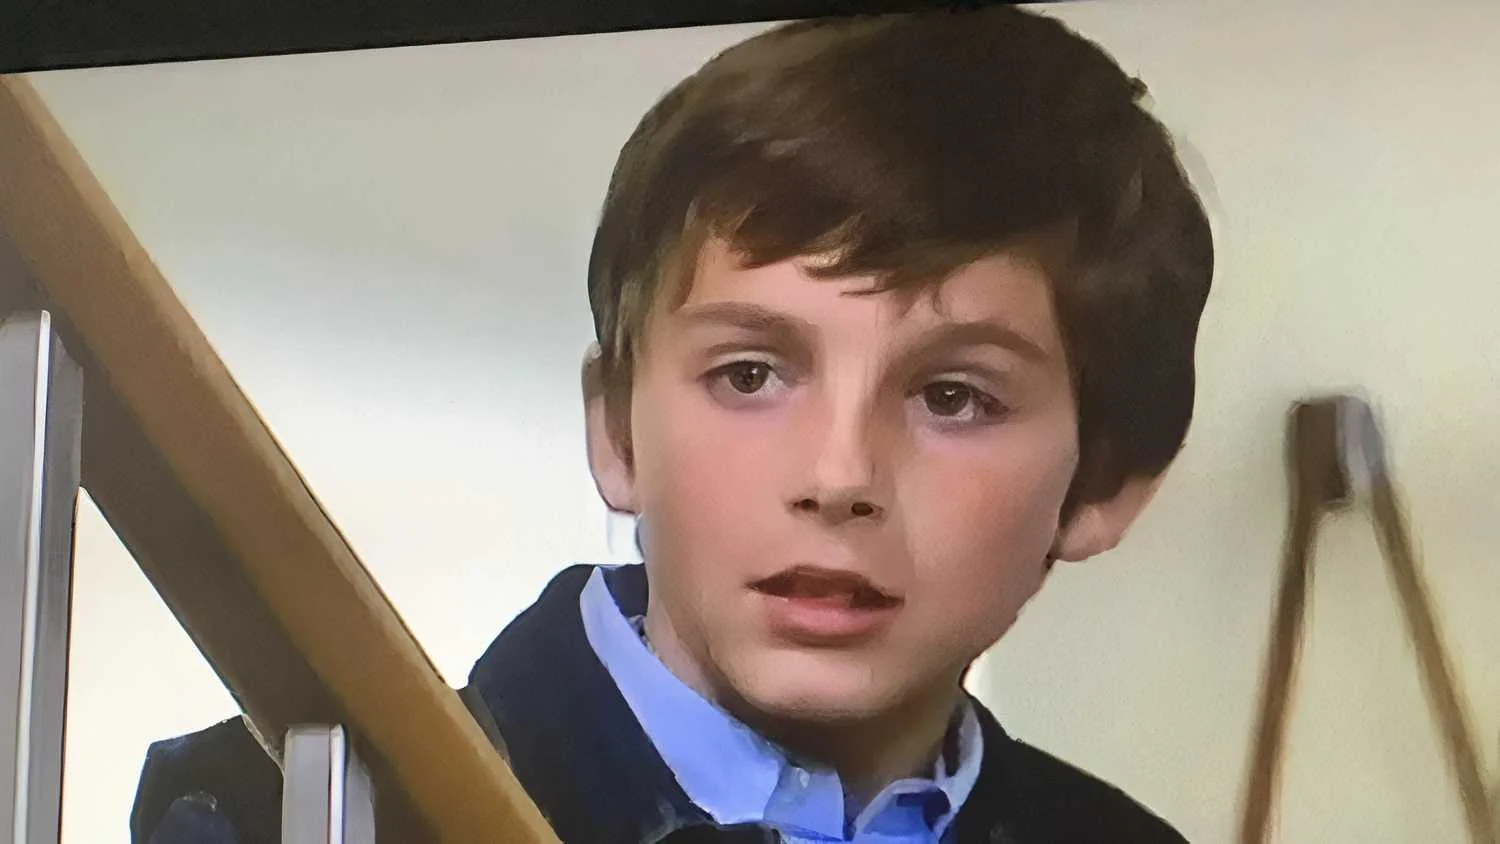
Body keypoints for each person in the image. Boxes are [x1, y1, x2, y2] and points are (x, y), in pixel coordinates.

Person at [130, 6, 1214, 843]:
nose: (839, 475)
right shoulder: (284, 811)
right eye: (749, 374)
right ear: (617, 432)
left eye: (952, 397)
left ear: (1104, 483)